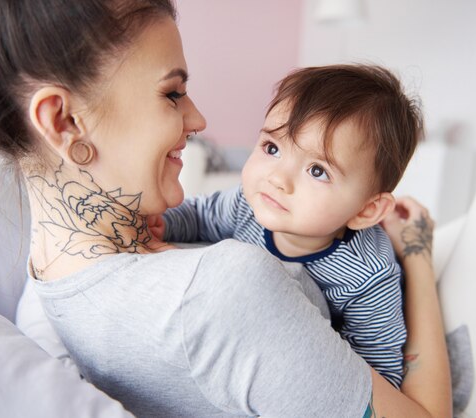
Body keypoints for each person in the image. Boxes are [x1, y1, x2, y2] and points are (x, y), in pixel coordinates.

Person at [0, 1, 476, 417]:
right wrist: (416, 254)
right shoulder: (218, 293)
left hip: (361, 283)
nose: (199, 120)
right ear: (62, 119)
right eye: (172, 92)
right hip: (429, 382)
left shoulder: (48, 268)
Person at [158, 64, 419, 389]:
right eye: (272, 148)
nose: (278, 179)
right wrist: (155, 225)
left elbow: (381, 373)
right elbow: (197, 216)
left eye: (317, 171)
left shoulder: (369, 276)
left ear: (366, 211)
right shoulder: (248, 203)